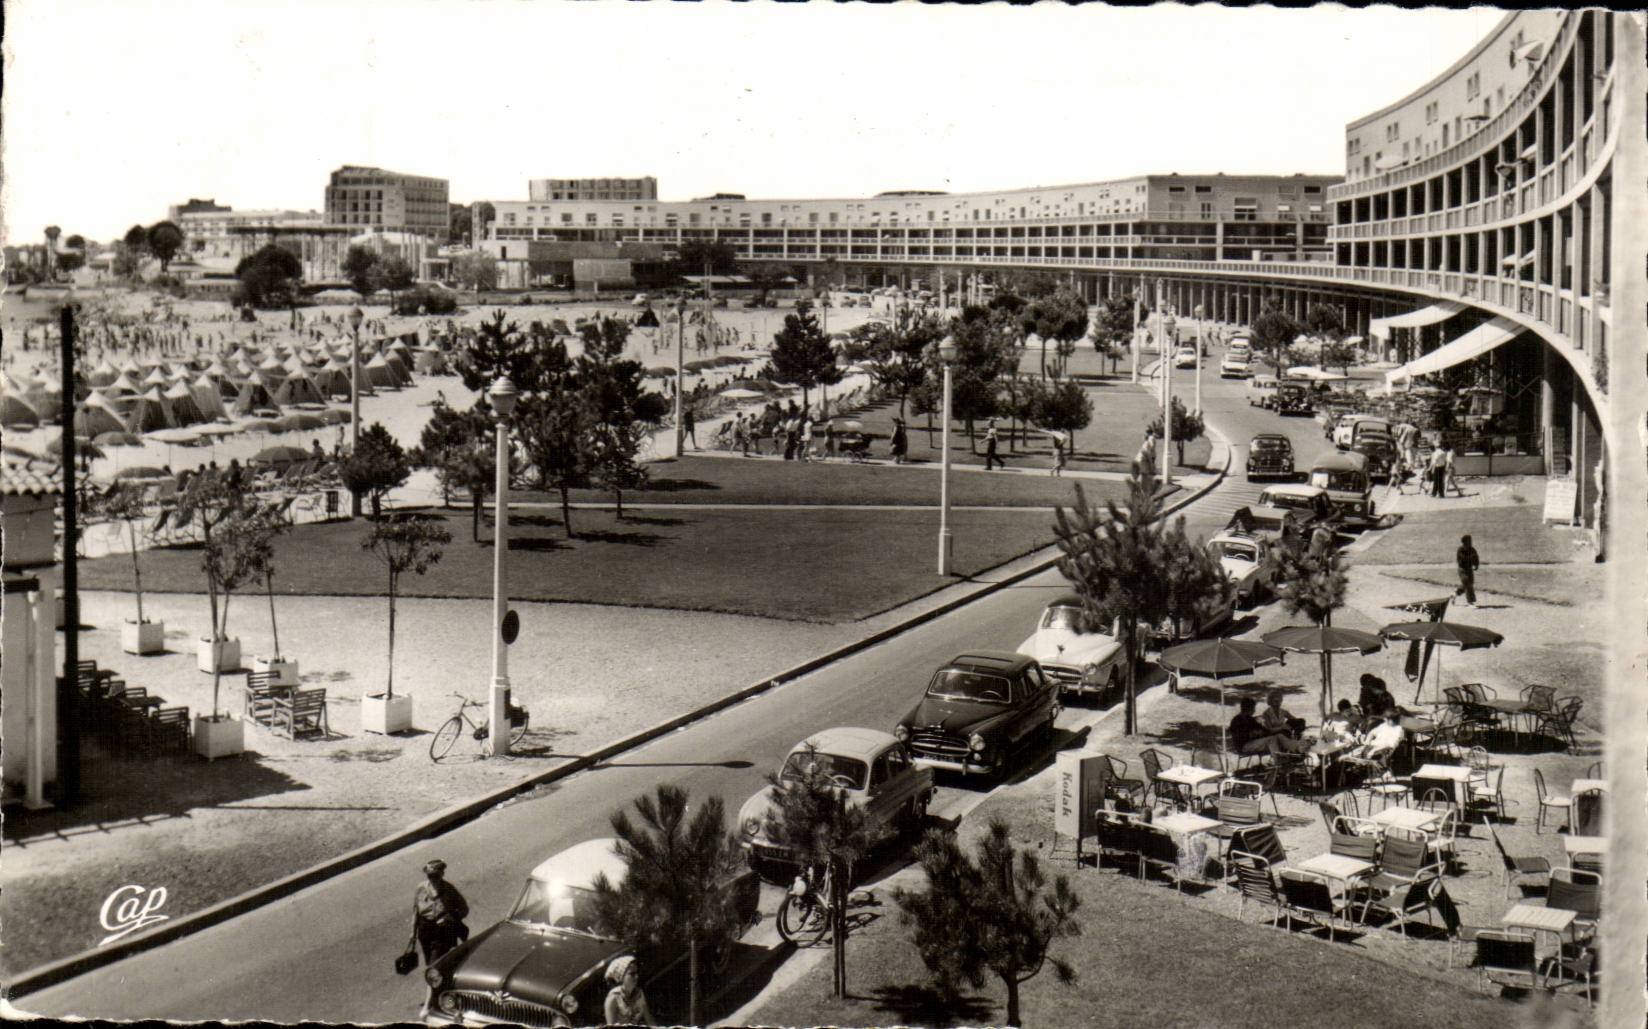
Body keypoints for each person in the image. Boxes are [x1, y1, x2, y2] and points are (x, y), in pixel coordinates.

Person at [411, 859, 470, 966]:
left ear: (442, 874)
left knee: (436, 964)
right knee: (431, 962)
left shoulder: (449, 889)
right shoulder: (421, 888)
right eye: (430, 876)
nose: (433, 879)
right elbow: (416, 911)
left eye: (436, 876)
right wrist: (412, 934)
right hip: (425, 931)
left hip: (442, 932)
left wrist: (450, 917)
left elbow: (464, 909)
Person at [1227, 697, 1308, 758]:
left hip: (1254, 742)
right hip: (1244, 746)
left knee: (1278, 736)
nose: (1254, 711)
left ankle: (1297, 749)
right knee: (1271, 740)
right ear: (1248, 708)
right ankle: (1277, 761)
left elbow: (1265, 731)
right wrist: (1252, 734)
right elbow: (1239, 737)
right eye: (1253, 708)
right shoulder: (1236, 720)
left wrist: (1271, 730)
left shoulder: (1250, 719)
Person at [604, 955, 655, 1026]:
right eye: (632, 974)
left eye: (636, 973)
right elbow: (611, 1026)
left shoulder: (639, 993)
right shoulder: (613, 997)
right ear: (621, 977)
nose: (637, 977)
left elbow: (649, 1019)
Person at [1456, 533, 1480, 606]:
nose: (1470, 543)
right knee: (1467, 583)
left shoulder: (1472, 549)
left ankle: (1456, 593)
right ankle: (1470, 601)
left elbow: (1476, 558)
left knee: (1468, 584)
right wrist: (1471, 557)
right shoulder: (1460, 550)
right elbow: (1463, 559)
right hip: (1462, 569)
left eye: (1470, 541)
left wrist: (1476, 565)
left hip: (1469, 569)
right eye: (1468, 541)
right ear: (1464, 542)